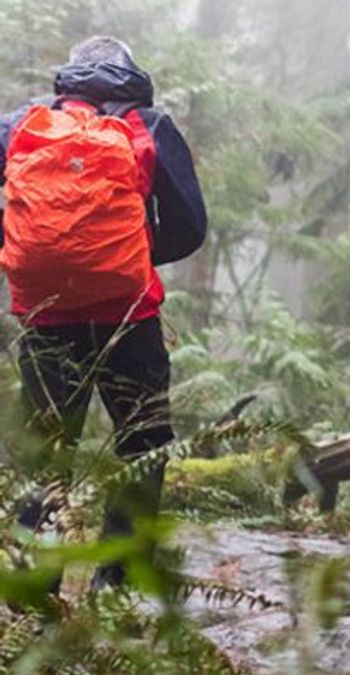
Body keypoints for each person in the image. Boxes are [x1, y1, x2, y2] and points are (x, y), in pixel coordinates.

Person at [1, 37, 207, 590]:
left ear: (70, 75)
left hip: (47, 320)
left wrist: (20, 249)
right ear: (129, 70)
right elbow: (191, 226)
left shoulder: (22, 124)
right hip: (130, 317)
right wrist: (130, 254)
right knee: (143, 443)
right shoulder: (150, 125)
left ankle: (32, 590)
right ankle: (114, 584)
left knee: (48, 448)